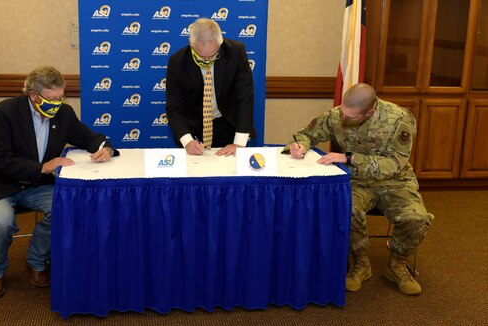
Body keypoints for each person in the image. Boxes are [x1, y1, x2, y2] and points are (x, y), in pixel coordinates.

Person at [0, 66, 118, 299]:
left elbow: (89, 137)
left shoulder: (63, 113)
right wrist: (43, 167)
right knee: (2, 221)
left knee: (64, 208)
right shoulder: (4, 112)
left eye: (61, 97)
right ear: (33, 95)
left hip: (37, 184)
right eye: (52, 99)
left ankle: (36, 260)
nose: (58, 103)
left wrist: (106, 149)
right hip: (2, 182)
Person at [285, 83, 434, 295]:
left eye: (351, 117)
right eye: (342, 112)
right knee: (347, 210)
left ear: (370, 111)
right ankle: (361, 264)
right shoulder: (339, 114)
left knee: (417, 219)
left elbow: (394, 164)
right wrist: (300, 145)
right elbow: (308, 133)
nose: (344, 119)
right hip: (356, 181)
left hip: (394, 181)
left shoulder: (399, 119)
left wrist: (350, 158)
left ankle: (397, 266)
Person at [166, 18, 256, 156]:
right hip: (194, 126)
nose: (207, 61)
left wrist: (239, 143)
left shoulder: (236, 52)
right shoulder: (177, 62)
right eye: (201, 56)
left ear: (220, 43)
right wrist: (188, 141)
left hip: (227, 123)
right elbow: (174, 108)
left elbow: (244, 99)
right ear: (191, 43)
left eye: (213, 56)